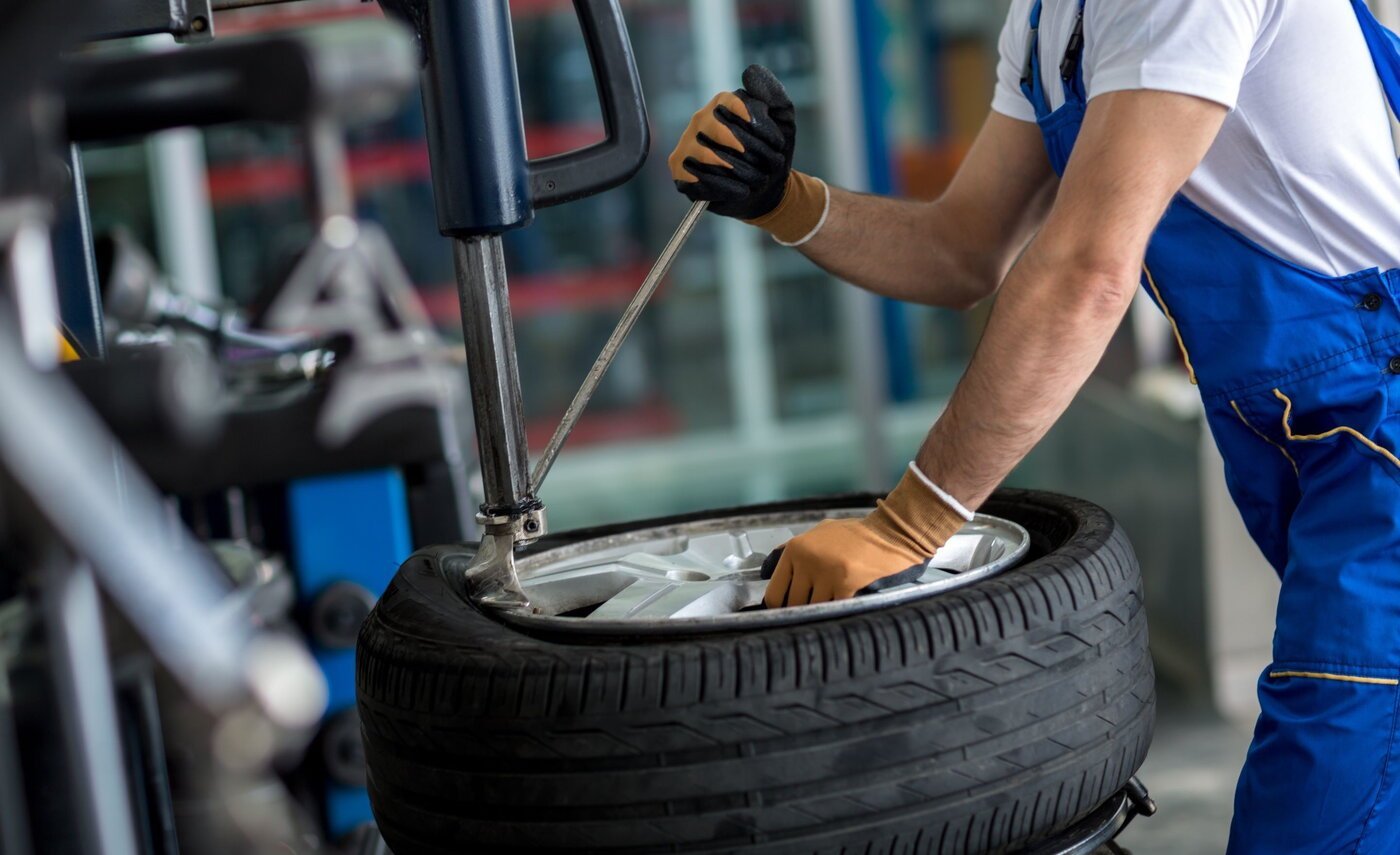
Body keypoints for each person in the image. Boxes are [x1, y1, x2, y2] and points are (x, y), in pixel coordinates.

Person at [669, 0, 1400, 851]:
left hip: (1377, 424)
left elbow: (1090, 268)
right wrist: (783, 201)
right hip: (1301, 437)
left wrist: (911, 523)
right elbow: (962, 248)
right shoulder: (1048, 21)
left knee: (1320, 805)